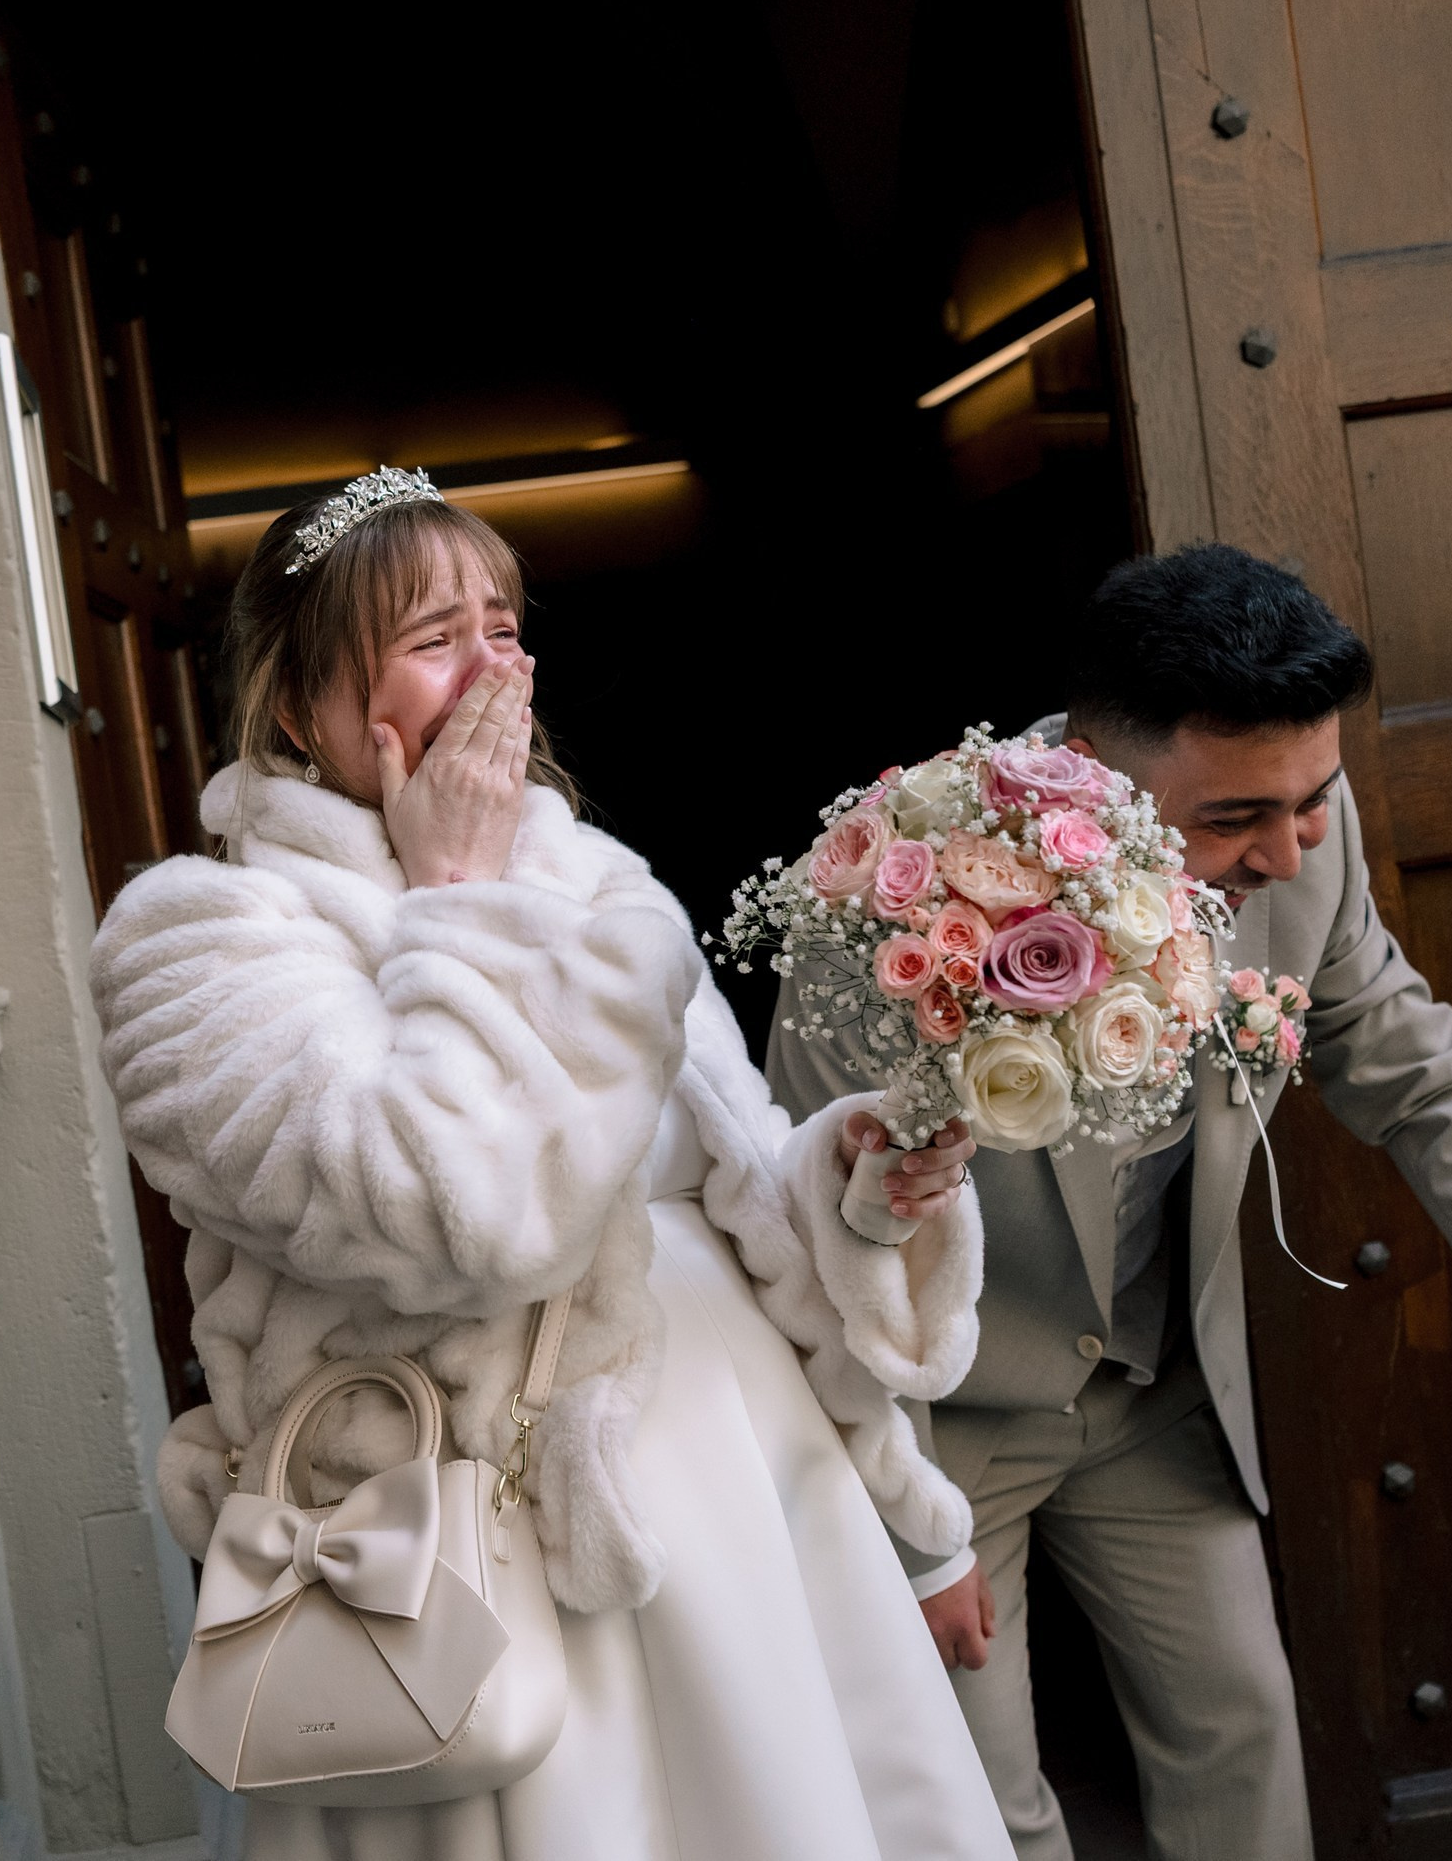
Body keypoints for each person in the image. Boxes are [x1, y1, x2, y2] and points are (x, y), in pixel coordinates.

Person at [89, 468, 1014, 1861]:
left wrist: (860, 1193)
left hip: (756, 1510)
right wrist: (460, 903)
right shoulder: (201, 940)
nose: (494, 667)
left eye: (505, 623)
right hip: (479, 1566)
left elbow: (737, 1194)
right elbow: (463, 1218)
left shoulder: (600, 881)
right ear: (300, 707)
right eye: (433, 636)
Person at [766, 543, 1452, 1861]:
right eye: (1237, 818)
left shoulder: (1301, 860)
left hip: (1152, 1389)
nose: (1287, 853)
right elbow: (817, 1245)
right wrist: (908, 1532)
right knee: (981, 1804)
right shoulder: (886, 897)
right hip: (939, 1423)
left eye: (1316, 799)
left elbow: (1419, 1076)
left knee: (1245, 1737)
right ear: (1099, 775)